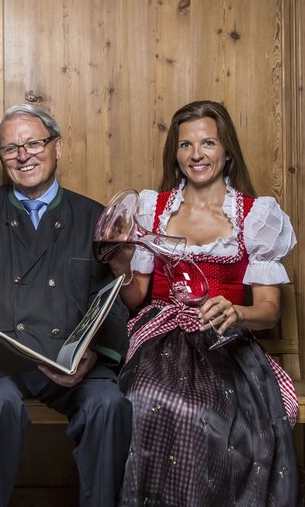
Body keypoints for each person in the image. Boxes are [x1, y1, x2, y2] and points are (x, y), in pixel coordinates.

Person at [106, 100, 299, 506]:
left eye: (208, 142)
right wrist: (121, 261)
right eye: (186, 145)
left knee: (210, 417)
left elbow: (270, 310)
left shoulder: (255, 215)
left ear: (227, 150)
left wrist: (236, 311)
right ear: (175, 155)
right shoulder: (152, 208)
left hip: (224, 342)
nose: (196, 154)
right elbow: (136, 297)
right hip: (158, 341)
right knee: (145, 403)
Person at [0, 104, 132, 507]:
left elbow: (112, 301)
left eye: (33, 143)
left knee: (109, 404)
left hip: (70, 362)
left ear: (57, 147)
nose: (22, 155)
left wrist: (93, 355)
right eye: (10, 149)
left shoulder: (93, 216)